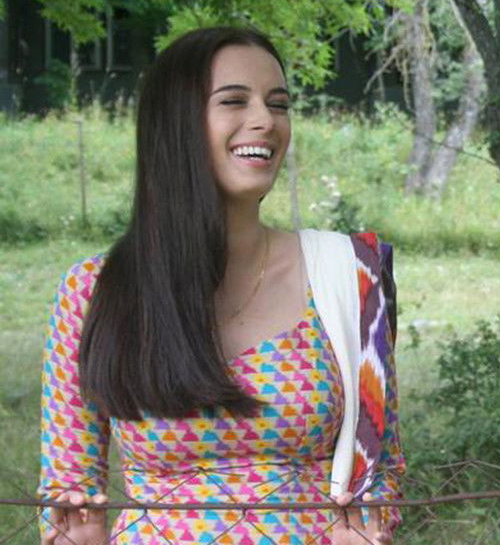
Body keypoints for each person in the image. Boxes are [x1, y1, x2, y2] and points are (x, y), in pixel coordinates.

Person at [39, 27, 404, 544]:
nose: (265, 120)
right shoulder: (96, 292)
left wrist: (370, 529)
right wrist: (74, 537)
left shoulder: (346, 276)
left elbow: (381, 465)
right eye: (234, 101)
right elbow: (68, 489)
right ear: (175, 123)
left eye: (278, 104)